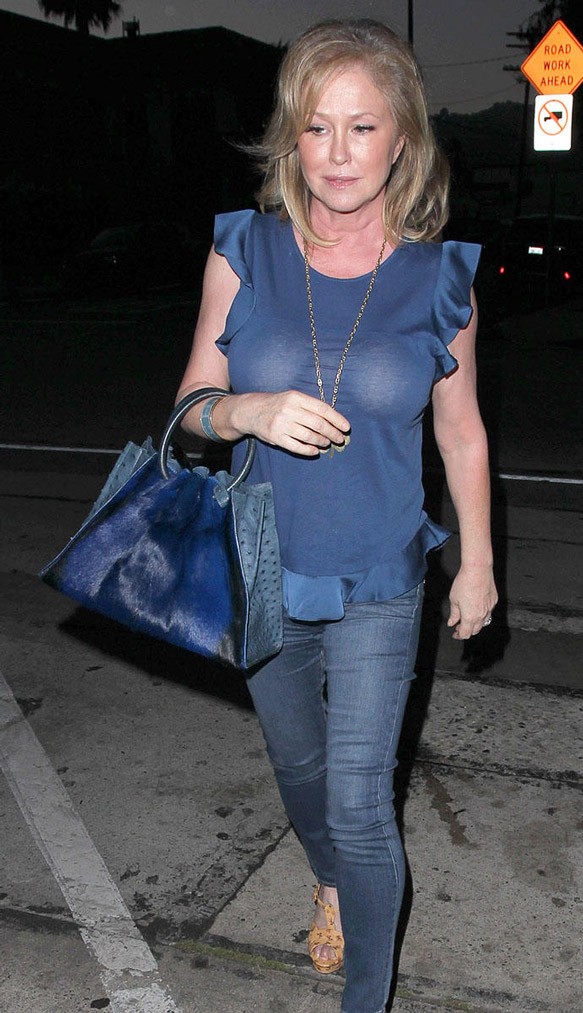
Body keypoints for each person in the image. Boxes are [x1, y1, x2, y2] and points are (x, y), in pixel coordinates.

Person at [176, 19, 497, 1013]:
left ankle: (367, 996)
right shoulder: (243, 250)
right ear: (292, 138)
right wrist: (247, 411)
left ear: (403, 140)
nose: (338, 152)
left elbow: (462, 432)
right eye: (316, 127)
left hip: (382, 570)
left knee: (361, 802)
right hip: (264, 561)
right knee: (299, 766)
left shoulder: (441, 279)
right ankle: (326, 876)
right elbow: (187, 413)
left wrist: (478, 561)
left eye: (363, 127)